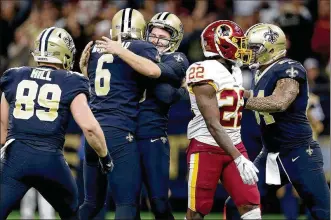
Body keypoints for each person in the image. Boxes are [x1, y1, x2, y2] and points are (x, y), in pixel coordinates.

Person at [0, 27, 112, 220]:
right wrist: (105, 157)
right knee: (74, 213)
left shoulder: (14, 75)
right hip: (50, 159)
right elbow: (90, 127)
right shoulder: (72, 81)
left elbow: (2, 124)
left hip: (15, 157)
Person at [225, 23, 330, 220]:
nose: (249, 52)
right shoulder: (260, 72)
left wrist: (240, 100)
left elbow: (280, 102)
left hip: (299, 152)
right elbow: (254, 95)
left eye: (254, 48)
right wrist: (226, 93)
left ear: (271, 47)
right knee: (238, 202)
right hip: (271, 154)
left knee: (322, 212)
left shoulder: (289, 68)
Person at [96, 12, 189, 219]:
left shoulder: (176, 57)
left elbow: (165, 95)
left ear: (174, 39)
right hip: (126, 135)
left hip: (152, 136)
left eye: (162, 37)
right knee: (130, 202)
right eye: (153, 35)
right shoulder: (133, 54)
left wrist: (181, 90)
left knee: (158, 202)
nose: (156, 41)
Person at [78, 8, 159, 220]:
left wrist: (84, 69)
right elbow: (152, 71)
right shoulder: (141, 47)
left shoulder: (97, 49)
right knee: (127, 203)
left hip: (93, 132)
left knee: (91, 203)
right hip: (118, 131)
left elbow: (106, 84)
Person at [184, 20, 261, 220]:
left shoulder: (235, 70)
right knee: (197, 211)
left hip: (234, 144)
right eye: (237, 42)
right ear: (221, 44)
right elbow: (213, 124)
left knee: (251, 207)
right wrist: (238, 157)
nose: (242, 47)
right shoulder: (203, 70)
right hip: (206, 146)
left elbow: (241, 98)